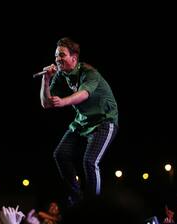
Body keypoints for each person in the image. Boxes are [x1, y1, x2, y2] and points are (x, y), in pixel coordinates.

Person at [39, 37, 118, 206]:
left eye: (62, 55)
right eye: (56, 56)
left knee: (90, 161)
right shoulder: (61, 75)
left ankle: (93, 206)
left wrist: (63, 101)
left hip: (104, 121)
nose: (57, 59)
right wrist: (45, 80)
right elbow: (45, 103)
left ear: (74, 58)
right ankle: (78, 199)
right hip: (82, 122)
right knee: (60, 154)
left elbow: (83, 94)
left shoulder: (89, 72)